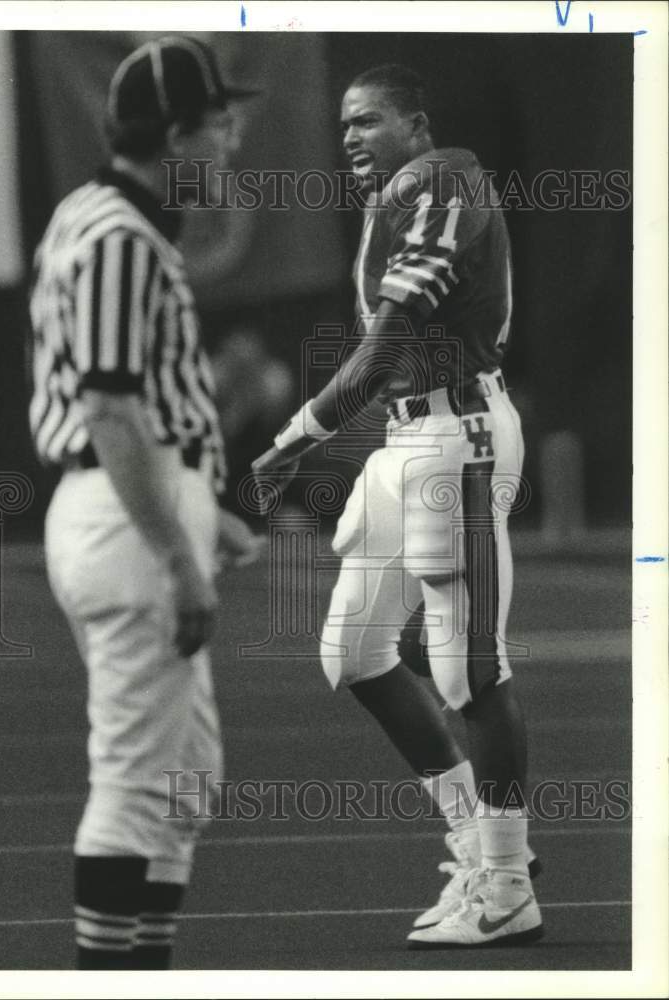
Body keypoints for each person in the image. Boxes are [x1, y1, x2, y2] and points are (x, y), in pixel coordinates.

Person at [252, 64, 543, 949]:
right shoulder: (401, 197)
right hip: (408, 438)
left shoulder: (442, 179)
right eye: (341, 126)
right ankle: (479, 845)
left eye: (368, 121)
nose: (349, 139)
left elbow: (387, 344)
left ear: (417, 126)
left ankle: (505, 885)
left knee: (468, 671)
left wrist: (298, 434)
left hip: (458, 436)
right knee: (352, 649)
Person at [28, 36, 260, 969]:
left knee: (184, 780)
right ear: (173, 134)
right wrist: (175, 550)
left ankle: (140, 972)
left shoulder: (97, 215)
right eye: (217, 124)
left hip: (135, 506)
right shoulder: (123, 237)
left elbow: (136, 408)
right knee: (133, 787)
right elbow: (112, 412)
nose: (230, 143)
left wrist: (207, 509)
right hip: (127, 523)